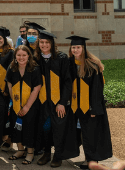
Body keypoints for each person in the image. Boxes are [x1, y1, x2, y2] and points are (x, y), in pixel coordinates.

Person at [68, 35, 112, 168]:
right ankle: (87, 158)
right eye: (73, 47)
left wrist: (94, 109)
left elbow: (97, 90)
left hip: (89, 107)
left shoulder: (92, 66)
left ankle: (91, 161)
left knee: (90, 134)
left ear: (83, 48)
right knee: (81, 134)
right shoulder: (69, 63)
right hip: (75, 107)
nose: (75, 50)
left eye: (78, 47)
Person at [35, 30, 78, 167]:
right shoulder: (36, 59)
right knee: (46, 128)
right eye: (41, 42)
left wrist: (62, 103)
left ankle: (58, 155)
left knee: (59, 129)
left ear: (52, 44)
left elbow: (67, 82)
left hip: (57, 102)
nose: (44, 44)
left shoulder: (61, 58)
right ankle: (47, 153)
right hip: (43, 102)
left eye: (47, 42)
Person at [6, 46, 43, 165]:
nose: (21, 57)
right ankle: (20, 150)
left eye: (24, 55)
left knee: (29, 128)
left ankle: (30, 153)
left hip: (31, 105)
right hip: (16, 105)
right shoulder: (12, 68)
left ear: (28, 56)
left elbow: (37, 88)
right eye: (18, 55)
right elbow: (9, 85)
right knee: (16, 128)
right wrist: (15, 102)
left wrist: (26, 106)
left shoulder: (35, 69)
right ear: (15, 56)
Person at [0, 27, 14, 150]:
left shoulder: (11, 52)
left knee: (7, 114)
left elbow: (11, 72)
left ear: (4, 39)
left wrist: (6, 90)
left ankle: (9, 140)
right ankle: (1, 137)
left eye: (0, 38)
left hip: (5, 90)